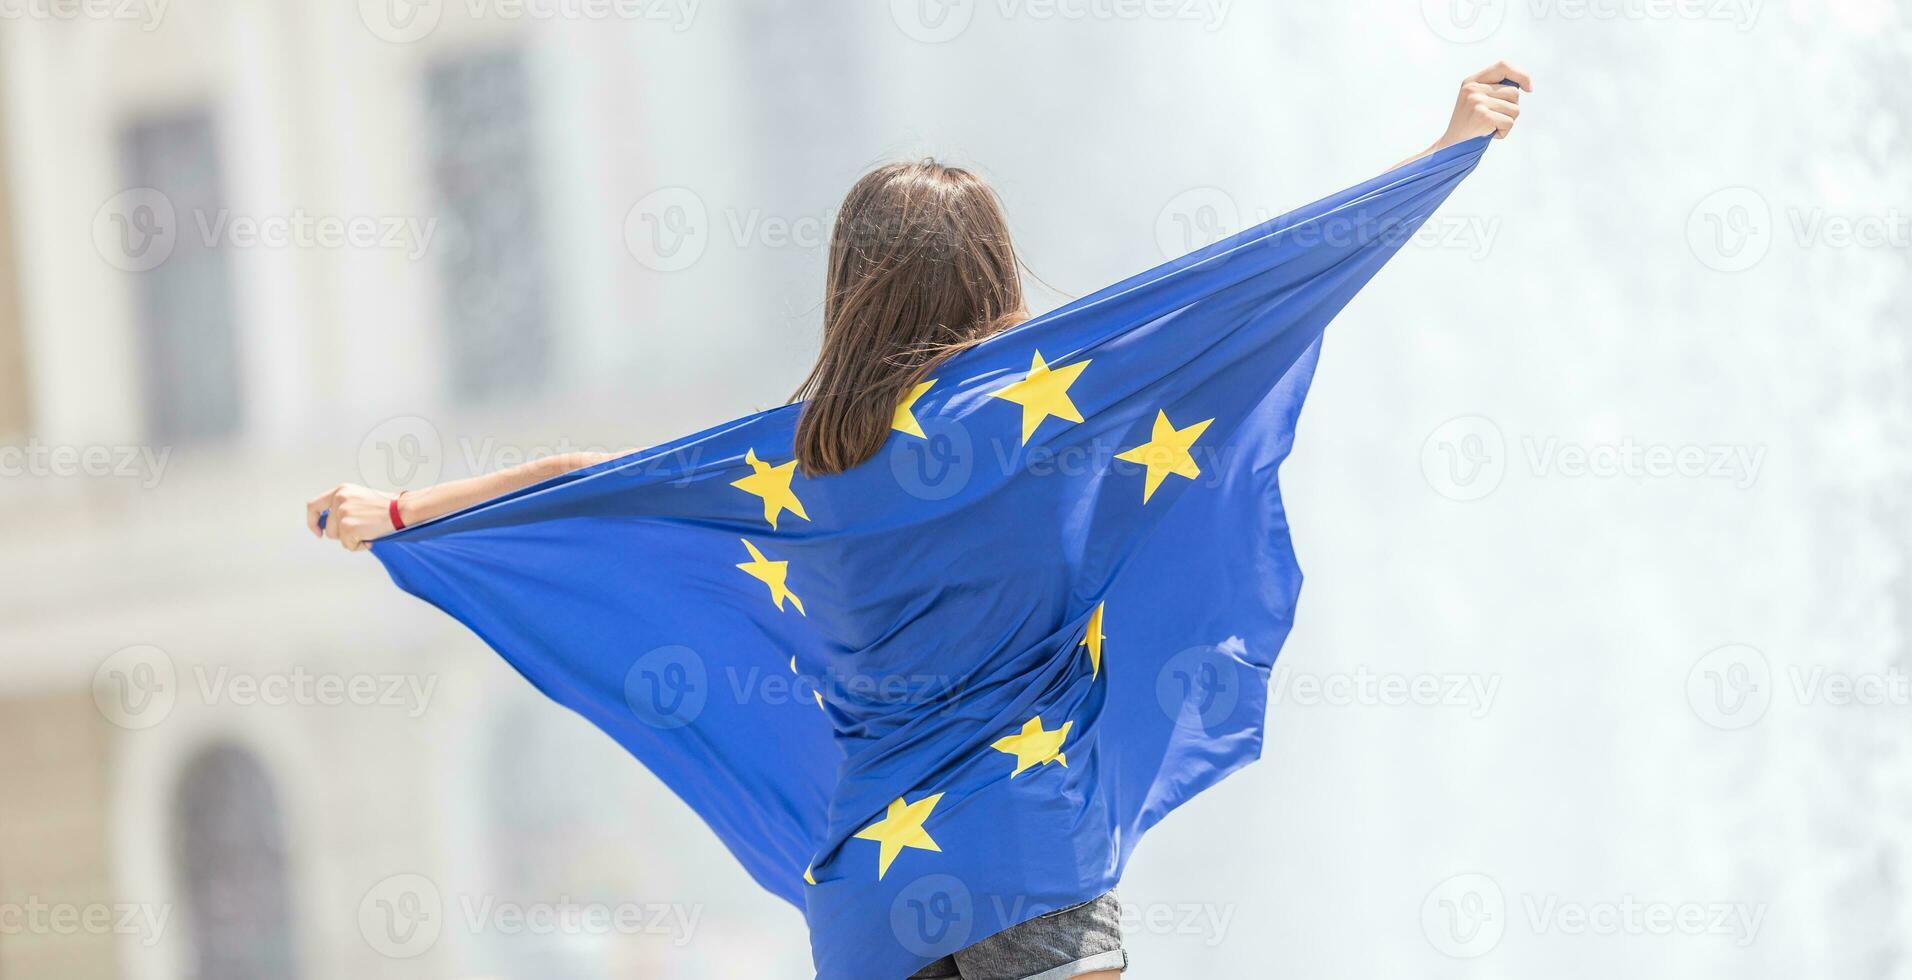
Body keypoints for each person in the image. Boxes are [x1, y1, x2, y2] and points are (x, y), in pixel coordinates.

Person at [308, 62, 1529, 980]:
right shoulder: (1035, 409)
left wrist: (401, 511)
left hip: (870, 900)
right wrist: (1443, 149)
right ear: (992, 273)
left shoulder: (796, 452)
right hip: (1029, 849)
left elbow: (580, 479)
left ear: (847, 283)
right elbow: (1259, 284)